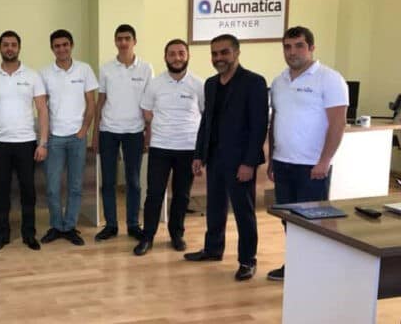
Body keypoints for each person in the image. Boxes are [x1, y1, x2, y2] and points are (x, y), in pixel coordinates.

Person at [266, 26, 348, 281]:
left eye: (299, 46)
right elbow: (275, 121)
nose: (292, 52)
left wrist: (324, 161)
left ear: (311, 48)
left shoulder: (330, 79)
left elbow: (338, 123)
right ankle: (297, 265)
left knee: (313, 222)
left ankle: (315, 271)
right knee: (289, 220)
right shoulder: (279, 82)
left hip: (312, 166)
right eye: (287, 47)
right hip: (283, 163)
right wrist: (271, 159)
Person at [184, 34, 268, 282]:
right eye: (214, 53)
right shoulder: (210, 84)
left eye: (224, 52)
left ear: (237, 53)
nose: (218, 58)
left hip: (241, 160)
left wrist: (250, 162)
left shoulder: (253, 82)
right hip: (215, 157)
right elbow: (206, 123)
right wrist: (199, 154)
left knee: (244, 211)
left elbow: (259, 125)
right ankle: (213, 249)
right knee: (215, 207)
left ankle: (247, 260)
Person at [0, 30, 49, 252]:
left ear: (19, 47)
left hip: (26, 142)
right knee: (2, 192)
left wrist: (43, 142)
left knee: (28, 191)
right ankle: (2, 235)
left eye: (13, 45)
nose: (9, 48)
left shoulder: (32, 76)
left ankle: (29, 234)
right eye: (5, 45)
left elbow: (42, 110)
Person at [134, 39, 204, 256]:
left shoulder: (198, 84)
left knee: (182, 195)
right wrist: (159, 126)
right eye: (172, 54)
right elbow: (146, 111)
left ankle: (176, 234)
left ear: (188, 56)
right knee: (154, 194)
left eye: (181, 53)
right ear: (165, 57)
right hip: (160, 147)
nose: (177, 58)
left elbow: (205, 114)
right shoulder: (155, 84)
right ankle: (148, 237)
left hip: (188, 148)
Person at [93, 24, 153, 241]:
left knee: (134, 181)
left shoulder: (146, 68)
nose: (123, 42)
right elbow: (100, 102)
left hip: (135, 132)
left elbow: (149, 104)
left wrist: (149, 133)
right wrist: (95, 134)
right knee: (108, 181)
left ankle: (133, 224)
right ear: (115, 42)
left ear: (134, 41)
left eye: (127, 38)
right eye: (119, 39)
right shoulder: (106, 68)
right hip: (108, 130)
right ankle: (111, 225)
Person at [39, 29, 98, 246]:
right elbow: (42, 107)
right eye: (57, 46)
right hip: (54, 138)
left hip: (77, 137)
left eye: (65, 44)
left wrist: (85, 129)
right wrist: (45, 137)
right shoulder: (44, 73)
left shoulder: (84, 69)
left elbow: (91, 103)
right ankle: (56, 226)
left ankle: (70, 226)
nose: (61, 49)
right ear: (52, 48)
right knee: (53, 187)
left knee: (75, 186)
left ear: (71, 45)